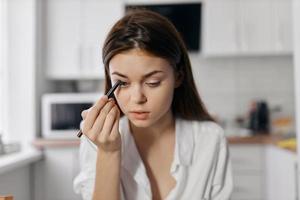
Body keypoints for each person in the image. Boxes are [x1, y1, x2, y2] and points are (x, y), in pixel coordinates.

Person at [73, 9, 233, 200]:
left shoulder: (210, 140)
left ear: (178, 77)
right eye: (122, 83)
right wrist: (109, 152)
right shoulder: (97, 141)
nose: (137, 98)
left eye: (153, 82)